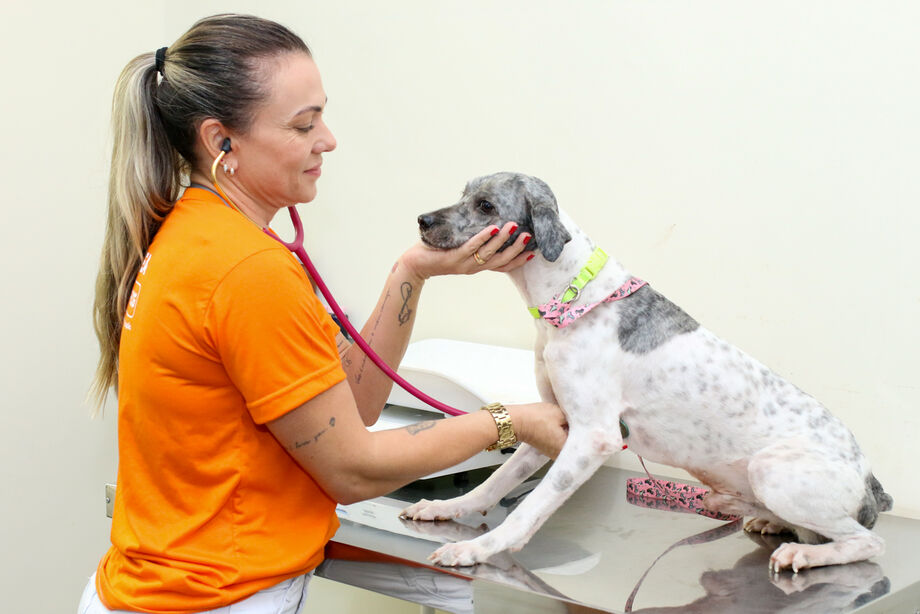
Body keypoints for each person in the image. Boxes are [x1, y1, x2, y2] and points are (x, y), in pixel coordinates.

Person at [81, 13, 568, 614]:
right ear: (219, 141)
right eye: (303, 124)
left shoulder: (193, 234)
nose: (328, 139)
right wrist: (512, 422)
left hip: (164, 587)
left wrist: (410, 272)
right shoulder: (246, 270)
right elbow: (353, 472)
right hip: (212, 598)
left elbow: (349, 411)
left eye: (322, 117)